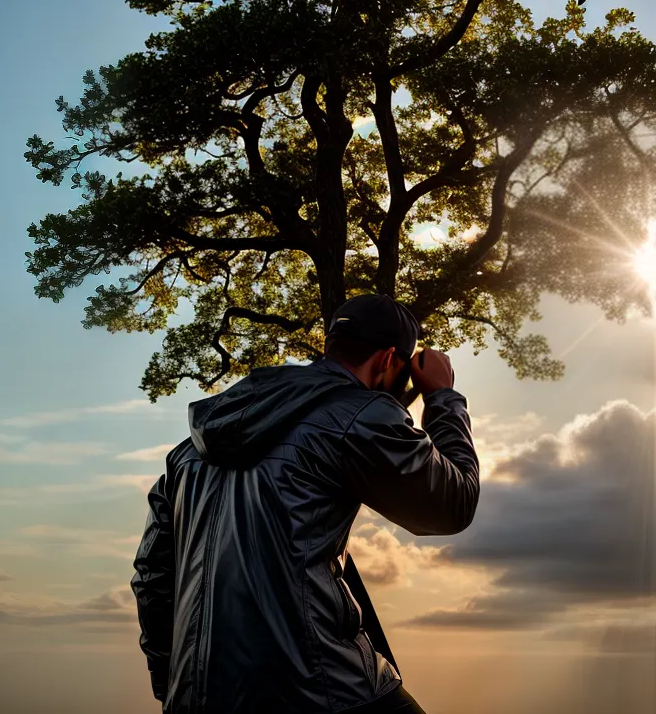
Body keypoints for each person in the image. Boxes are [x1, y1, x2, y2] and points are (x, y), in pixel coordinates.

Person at [130, 293, 480, 712]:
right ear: (388, 360)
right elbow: (452, 505)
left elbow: (152, 575)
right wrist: (442, 398)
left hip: (196, 696)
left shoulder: (187, 452)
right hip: (320, 688)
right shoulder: (359, 416)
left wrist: (170, 678)